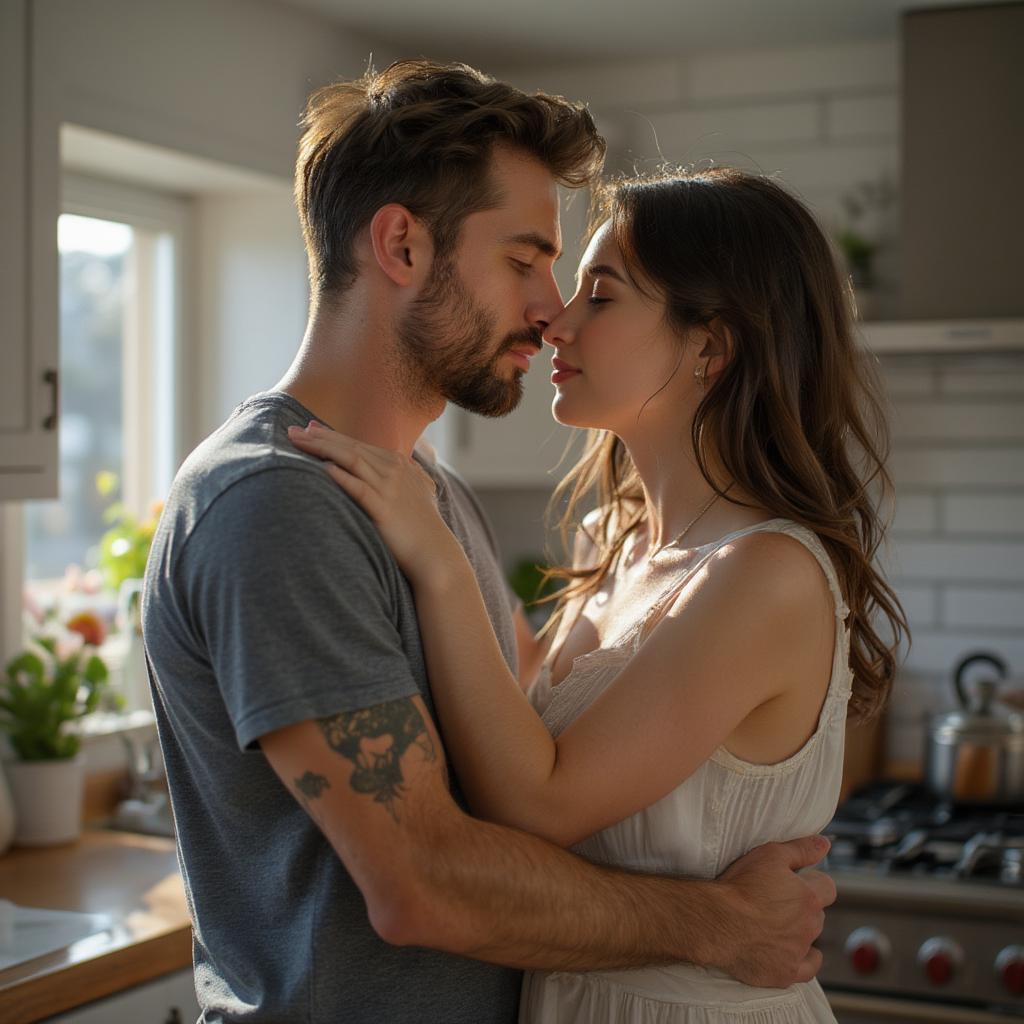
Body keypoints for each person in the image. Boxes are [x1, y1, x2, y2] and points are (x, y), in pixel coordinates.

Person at [142, 61, 835, 1024]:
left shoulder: (430, 493)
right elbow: (424, 881)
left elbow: (524, 767)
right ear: (401, 246)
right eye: (524, 261)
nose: (550, 308)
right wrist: (719, 925)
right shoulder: (276, 504)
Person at [289, 166, 907, 1023]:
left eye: (601, 296)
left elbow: (537, 803)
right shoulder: (615, 547)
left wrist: (439, 563)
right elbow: (512, 724)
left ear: (709, 347)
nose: (556, 321)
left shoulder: (767, 575)